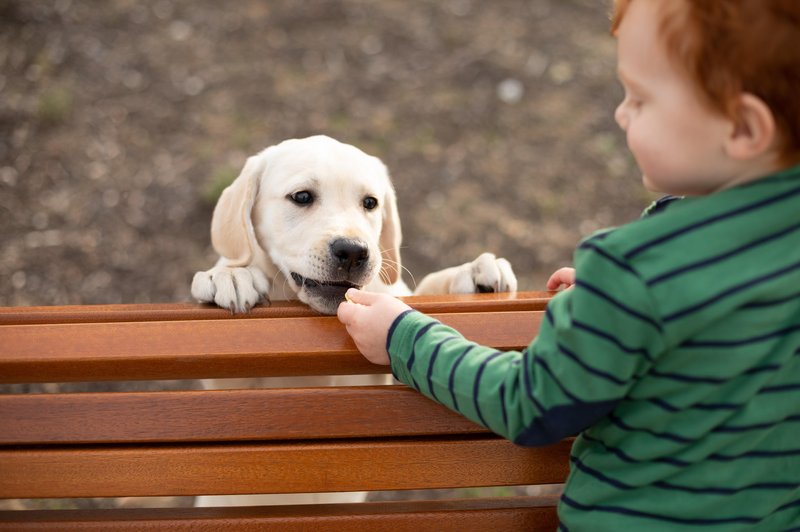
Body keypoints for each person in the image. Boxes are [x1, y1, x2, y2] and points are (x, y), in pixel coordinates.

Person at [337, 0, 800, 529]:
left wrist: (402, 336)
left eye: (641, 98)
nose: (622, 113)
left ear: (742, 127)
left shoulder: (636, 270)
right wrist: (618, 308)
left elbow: (532, 404)